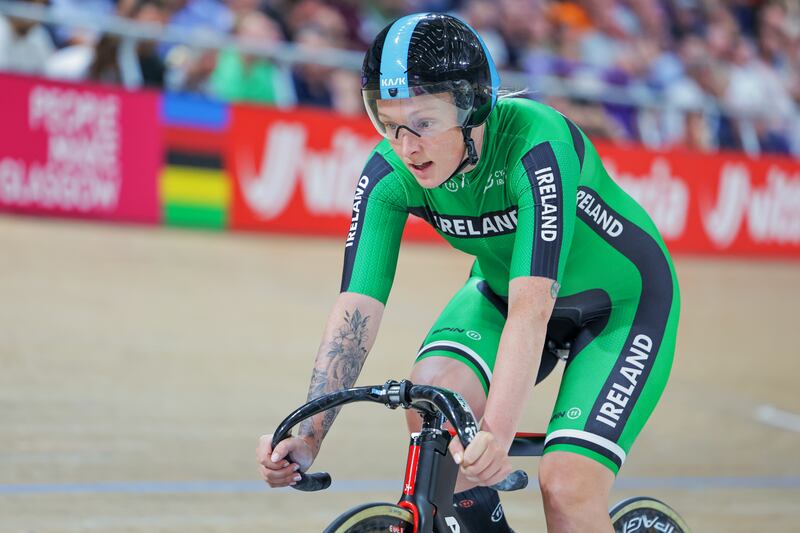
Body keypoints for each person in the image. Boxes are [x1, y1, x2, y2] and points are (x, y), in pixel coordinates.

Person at [257, 12, 680, 533]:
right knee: (433, 404)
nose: (407, 146)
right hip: (501, 293)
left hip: (621, 307)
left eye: (425, 122)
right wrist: (310, 432)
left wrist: (496, 435)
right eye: (388, 123)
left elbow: (534, 308)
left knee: (567, 485)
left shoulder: (536, 143)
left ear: (474, 107)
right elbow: (356, 309)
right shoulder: (389, 173)